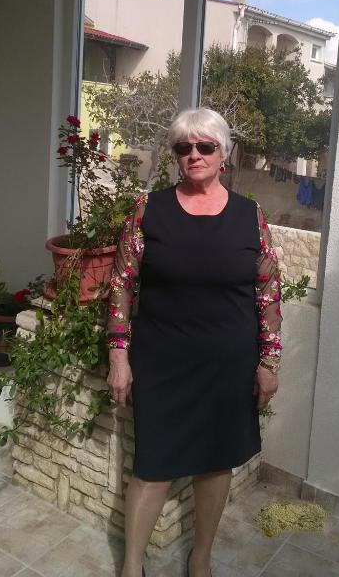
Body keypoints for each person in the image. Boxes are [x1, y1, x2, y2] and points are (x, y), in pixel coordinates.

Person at [106, 107, 282, 577]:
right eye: (184, 148)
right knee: (152, 465)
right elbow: (121, 284)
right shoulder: (149, 210)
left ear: (224, 154)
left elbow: (268, 292)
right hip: (163, 360)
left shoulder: (250, 216)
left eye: (205, 146)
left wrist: (269, 361)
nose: (194, 155)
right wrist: (118, 355)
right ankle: (131, 566)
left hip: (227, 363)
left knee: (215, 461)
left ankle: (200, 557)